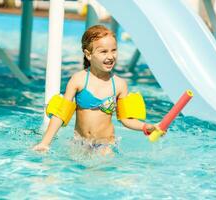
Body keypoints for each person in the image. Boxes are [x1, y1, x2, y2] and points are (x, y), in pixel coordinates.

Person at [33, 25, 164, 154]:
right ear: (88, 54)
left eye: (114, 50)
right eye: (104, 51)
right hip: (80, 143)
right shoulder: (78, 80)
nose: (111, 56)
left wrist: (145, 127)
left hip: (105, 145)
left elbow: (126, 119)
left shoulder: (119, 84)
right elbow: (60, 115)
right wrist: (45, 143)